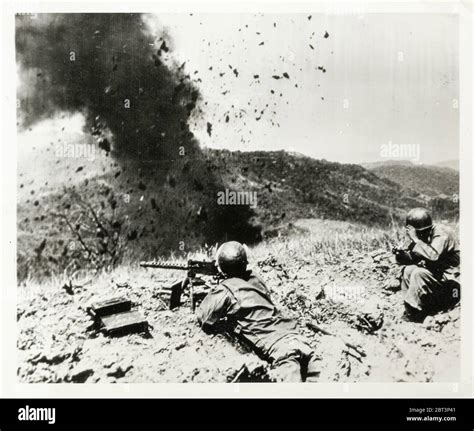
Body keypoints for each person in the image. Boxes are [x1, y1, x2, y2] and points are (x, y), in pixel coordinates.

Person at [196, 241, 321, 382]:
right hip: (298, 340)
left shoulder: (227, 289)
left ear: (221, 268)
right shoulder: (255, 278)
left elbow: (204, 318)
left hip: (281, 350)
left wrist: (214, 291)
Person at [393, 208, 460, 322]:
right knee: (409, 270)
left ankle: (413, 314)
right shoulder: (423, 236)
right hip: (437, 276)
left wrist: (415, 240)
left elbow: (433, 255)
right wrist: (401, 254)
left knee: (419, 274)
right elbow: (412, 259)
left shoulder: (441, 233)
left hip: (452, 280)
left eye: (419, 232)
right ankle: (415, 308)